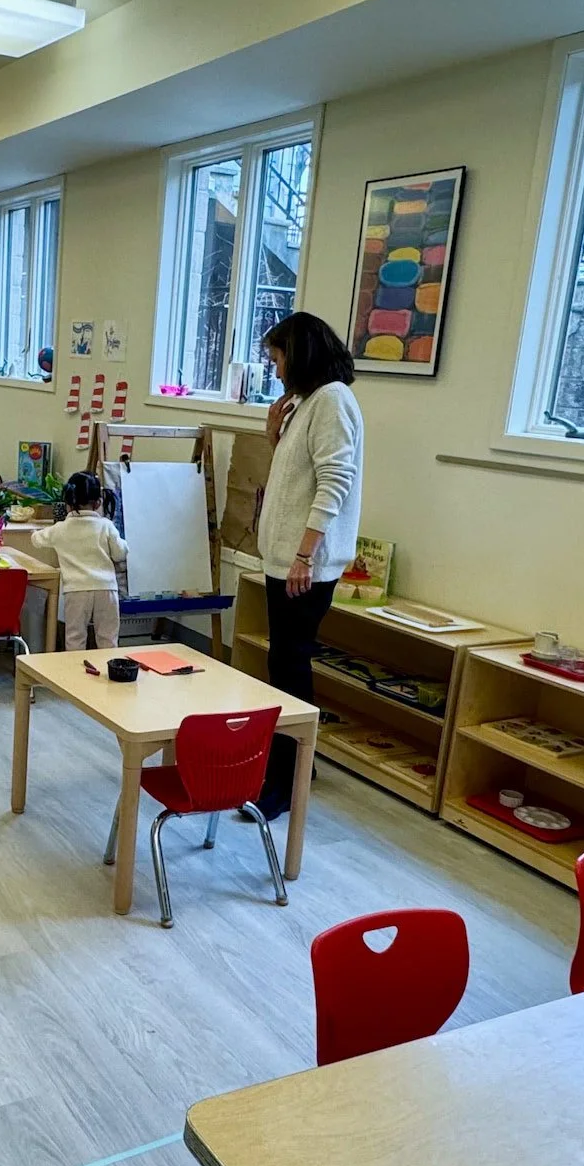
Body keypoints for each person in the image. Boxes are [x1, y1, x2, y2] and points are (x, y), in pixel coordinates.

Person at [252, 311, 363, 820]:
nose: (275, 370)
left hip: (305, 565)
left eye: (278, 358)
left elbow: (334, 481)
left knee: (289, 668)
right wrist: (275, 436)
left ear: (299, 355)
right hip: (287, 560)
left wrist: (304, 554)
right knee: (283, 664)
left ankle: (286, 779)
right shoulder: (308, 402)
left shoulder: (333, 400)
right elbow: (297, 478)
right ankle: (296, 765)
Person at [34, 471, 126, 649]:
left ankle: (74, 666)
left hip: (76, 590)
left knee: (75, 638)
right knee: (108, 638)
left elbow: (36, 540)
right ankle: (109, 665)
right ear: (98, 503)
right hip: (106, 588)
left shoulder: (60, 529)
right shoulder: (106, 526)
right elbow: (120, 553)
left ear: (67, 503)